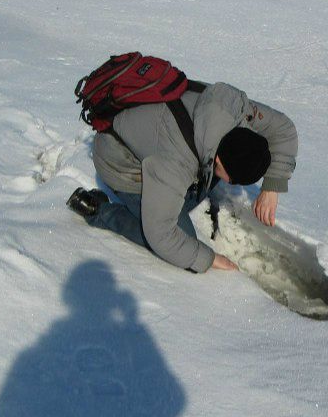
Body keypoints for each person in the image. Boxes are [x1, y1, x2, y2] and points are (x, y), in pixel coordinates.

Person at [67, 78, 298, 273]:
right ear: (218, 159)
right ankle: (100, 211)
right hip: (121, 164)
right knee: (178, 239)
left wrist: (272, 186)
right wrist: (207, 259)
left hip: (155, 141)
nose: (233, 185)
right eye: (233, 179)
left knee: (184, 206)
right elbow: (161, 235)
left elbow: (283, 129)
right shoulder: (175, 162)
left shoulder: (233, 111)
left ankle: (181, 197)